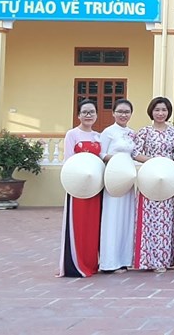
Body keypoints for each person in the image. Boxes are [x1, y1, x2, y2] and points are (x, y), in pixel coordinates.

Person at [131, 97, 174, 273]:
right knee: (148, 221)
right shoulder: (144, 132)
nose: (160, 113)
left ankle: (163, 260)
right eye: (157, 110)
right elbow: (135, 153)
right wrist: (154, 161)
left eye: (164, 110)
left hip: (168, 180)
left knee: (166, 221)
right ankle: (146, 260)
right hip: (149, 179)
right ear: (151, 111)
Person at [59, 99, 102, 278]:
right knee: (78, 224)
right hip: (77, 188)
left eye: (92, 112)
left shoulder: (98, 136)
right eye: (84, 112)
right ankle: (75, 264)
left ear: (96, 115)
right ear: (78, 115)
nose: (88, 115)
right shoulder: (72, 134)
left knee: (93, 226)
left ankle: (91, 262)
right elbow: (68, 161)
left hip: (95, 188)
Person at [97, 98, 137, 273]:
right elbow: (101, 153)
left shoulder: (132, 133)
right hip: (113, 180)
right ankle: (109, 262)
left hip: (128, 180)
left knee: (126, 219)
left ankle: (124, 260)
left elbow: (135, 154)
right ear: (113, 113)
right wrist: (118, 160)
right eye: (120, 111)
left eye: (127, 112)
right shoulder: (108, 132)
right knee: (112, 218)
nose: (123, 115)